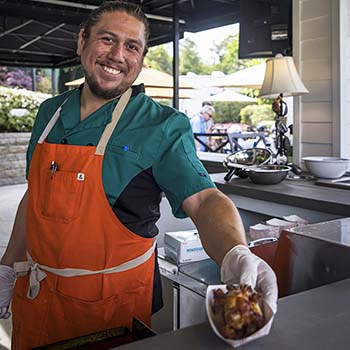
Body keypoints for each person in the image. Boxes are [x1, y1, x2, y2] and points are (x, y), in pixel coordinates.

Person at [0, 1, 277, 348]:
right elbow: (36, 195)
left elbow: (204, 198)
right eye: (106, 39)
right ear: (82, 40)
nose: (117, 55)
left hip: (110, 314)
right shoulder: (49, 114)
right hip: (37, 302)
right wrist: (8, 265)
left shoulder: (161, 125)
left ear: (141, 59)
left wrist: (236, 253)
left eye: (132, 47)